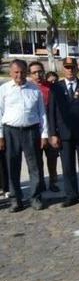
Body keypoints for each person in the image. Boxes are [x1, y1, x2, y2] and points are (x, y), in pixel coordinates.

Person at [49, 57, 79, 207]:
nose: (70, 70)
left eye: (72, 67)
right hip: (64, 133)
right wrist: (53, 133)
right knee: (67, 166)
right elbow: (51, 111)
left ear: (77, 68)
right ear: (63, 69)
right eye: (67, 67)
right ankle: (71, 195)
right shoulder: (56, 87)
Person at [0, 59, 49, 212]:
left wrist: (44, 134)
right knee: (12, 166)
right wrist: (0, 135)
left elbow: (42, 114)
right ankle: (16, 200)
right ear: (10, 73)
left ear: (26, 72)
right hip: (10, 131)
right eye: (16, 72)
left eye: (22, 72)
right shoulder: (4, 90)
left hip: (31, 131)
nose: (19, 75)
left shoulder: (34, 89)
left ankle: (35, 197)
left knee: (34, 166)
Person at [28, 61, 59, 192]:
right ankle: (39, 183)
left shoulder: (51, 88)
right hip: (33, 130)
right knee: (36, 161)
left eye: (40, 71)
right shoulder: (28, 88)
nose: (38, 75)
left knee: (52, 159)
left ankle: (53, 182)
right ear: (30, 74)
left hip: (51, 129)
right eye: (34, 72)